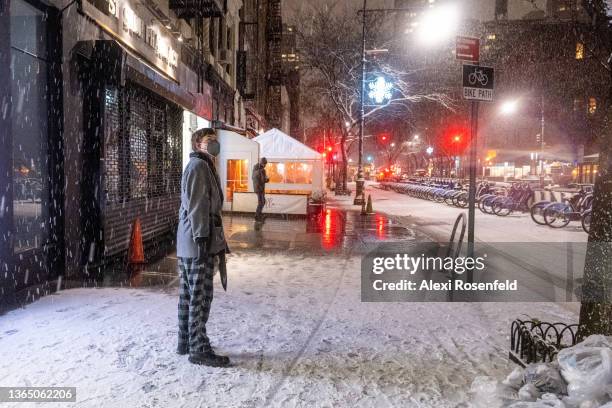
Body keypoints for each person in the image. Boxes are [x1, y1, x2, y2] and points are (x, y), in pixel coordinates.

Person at [176, 128, 230, 367]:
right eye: (210, 141)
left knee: (189, 294)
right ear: (198, 144)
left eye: (216, 141)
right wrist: (201, 240)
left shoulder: (202, 165)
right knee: (201, 295)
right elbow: (198, 206)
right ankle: (198, 347)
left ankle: (186, 341)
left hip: (193, 241)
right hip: (199, 242)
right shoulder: (199, 167)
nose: (214, 145)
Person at [252, 157, 270, 222]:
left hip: (257, 188)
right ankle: (257, 216)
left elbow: (253, 177)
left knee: (262, 202)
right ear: (263, 163)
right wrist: (267, 179)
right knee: (261, 202)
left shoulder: (255, 168)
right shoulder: (262, 170)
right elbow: (263, 180)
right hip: (260, 188)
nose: (265, 165)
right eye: (265, 164)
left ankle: (259, 214)